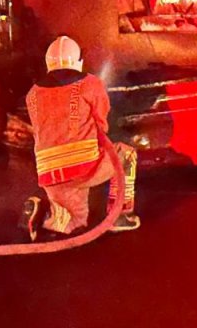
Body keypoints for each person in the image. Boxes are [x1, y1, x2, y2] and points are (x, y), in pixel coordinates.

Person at [22, 36, 139, 240]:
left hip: (49, 174)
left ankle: (44, 213)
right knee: (127, 155)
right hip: (85, 168)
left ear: (48, 64)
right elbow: (101, 124)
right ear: (78, 62)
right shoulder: (90, 83)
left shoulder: (32, 94)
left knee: (75, 221)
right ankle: (120, 215)